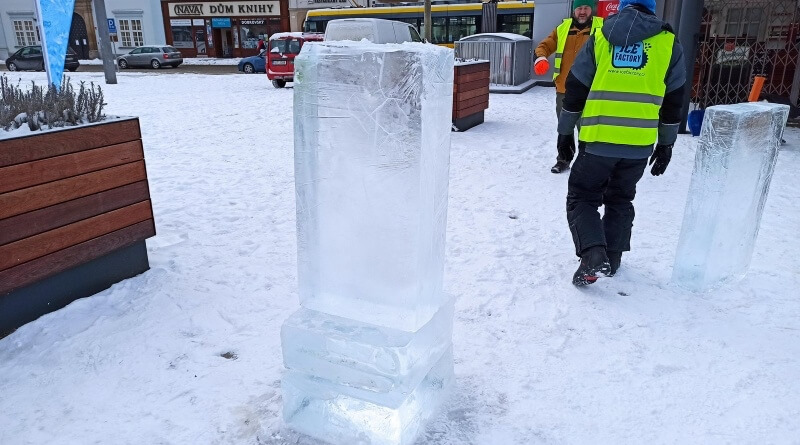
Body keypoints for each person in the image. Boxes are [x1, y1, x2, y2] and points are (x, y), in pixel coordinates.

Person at [555, 0, 686, 286]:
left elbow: (576, 88)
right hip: (638, 145)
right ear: (652, 9)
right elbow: (675, 98)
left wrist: (564, 133)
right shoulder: (668, 43)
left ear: (622, 7)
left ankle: (593, 255)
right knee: (620, 199)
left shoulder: (600, 36)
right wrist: (666, 144)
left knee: (582, 197)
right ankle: (612, 259)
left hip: (598, 140)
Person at [534, 0, 603, 174]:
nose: (582, 12)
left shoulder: (602, 28)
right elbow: (545, 45)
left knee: (588, 129)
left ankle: (587, 163)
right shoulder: (562, 28)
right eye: (579, 8)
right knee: (565, 128)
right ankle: (563, 159)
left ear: (592, 10)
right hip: (564, 89)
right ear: (574, 10)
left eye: (586, 8)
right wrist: (541, 57)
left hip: (591, 90)